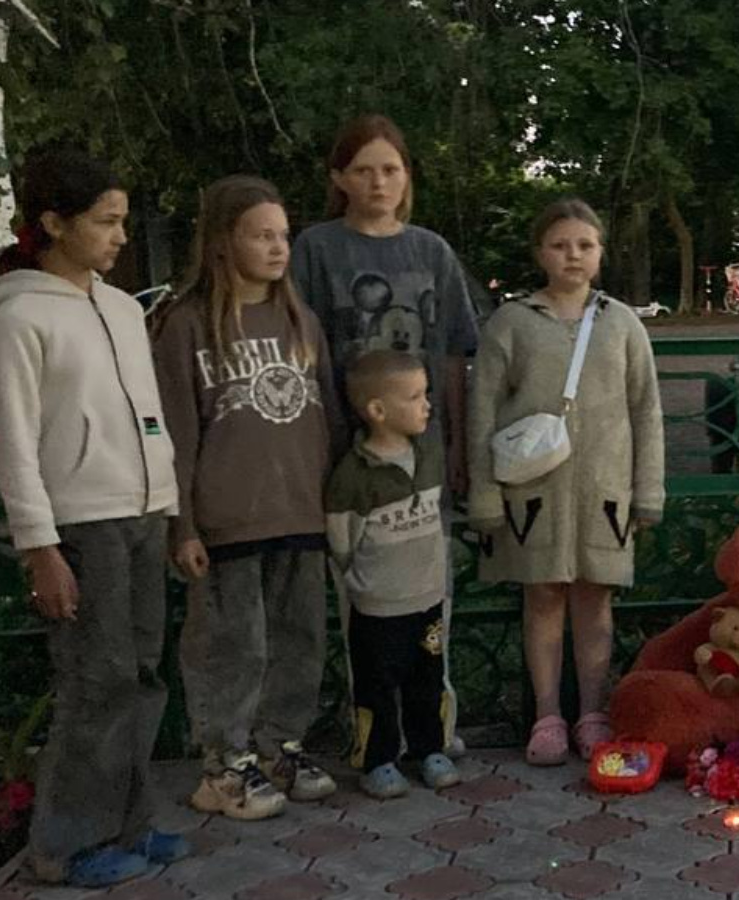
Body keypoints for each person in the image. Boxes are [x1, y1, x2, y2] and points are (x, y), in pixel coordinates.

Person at [0, 149, 187, 886]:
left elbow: (146, 414)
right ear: (53, 223)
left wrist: (168, 507)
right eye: (105, 222)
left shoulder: (123, 308)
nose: (120, 236)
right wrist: (40, 547)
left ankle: (129, 822)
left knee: (141, 677)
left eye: (123, 220)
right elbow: (13, 442)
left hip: (142, 515)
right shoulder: (18, 319)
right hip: (81, 527)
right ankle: (66, 844)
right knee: (94, 685)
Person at [151, 176, 342, 820]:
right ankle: (223, 764)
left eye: (283, 235)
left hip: (301, 510)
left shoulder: (301, 319)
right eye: (261, 235)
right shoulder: (186, 325)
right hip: (226, 520)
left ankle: (278, 746)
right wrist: (182, 524)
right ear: (222, 241)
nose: (278, 247)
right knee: (233, 646)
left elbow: (327, 418)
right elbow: (176, 433)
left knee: (298, 639)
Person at [291, 114, 479, 756]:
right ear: (339, 178)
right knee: (362, 597)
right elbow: (302, 351)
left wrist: (456, 445)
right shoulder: (316, 249)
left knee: (430, 595)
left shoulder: (431, 252)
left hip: (422, 456)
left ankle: (433, 723)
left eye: (391, 169)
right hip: (351, 457)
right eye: (364, 170)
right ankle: (375, 731)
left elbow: (452, 354)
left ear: (407, 177)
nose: (378, 182)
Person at [467, 198, 665, 766]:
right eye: (559, 245)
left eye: (585, 245)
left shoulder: (622, 324)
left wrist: (648, 491)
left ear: (601, 253)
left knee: (595, 600)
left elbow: (646, 410)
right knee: (542, 597)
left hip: (605, 491)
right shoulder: (511, 323)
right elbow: (482, 410)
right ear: (540, 253)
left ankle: (593, 714)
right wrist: (484, 496)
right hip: (534, 496)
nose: (572, 255)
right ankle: (547, 715)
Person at [325, 349, 463, 798]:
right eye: (415, 397)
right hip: (378, 606)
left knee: (427, 678)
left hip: (427, 598)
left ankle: (430, 749)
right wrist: (364, 583)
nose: (427, 405)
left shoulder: (428, 457)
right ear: (378, 411)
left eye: (426, 394)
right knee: (377, 686)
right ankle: (378, 759)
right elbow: (342, 541)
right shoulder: (353, 475)